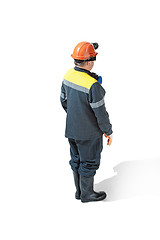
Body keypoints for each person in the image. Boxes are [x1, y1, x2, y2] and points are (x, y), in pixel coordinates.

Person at [60, 41, 113, 203]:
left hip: (72, 129)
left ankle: (79, 192)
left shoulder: (68, 75)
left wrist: (76, 114)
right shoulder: (93, 85)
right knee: (89, 162)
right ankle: (87, 194)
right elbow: (101, 114)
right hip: (89, 133)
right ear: (89, 62)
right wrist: (108, 131)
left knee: (76, 160)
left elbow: (63, 101)